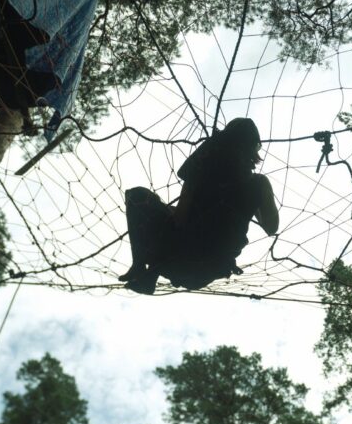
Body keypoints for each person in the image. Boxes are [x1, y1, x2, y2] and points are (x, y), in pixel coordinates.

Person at [119, 118, 279, 294]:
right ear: (252, 149)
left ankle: (140, 266)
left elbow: (179, 219)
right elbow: (272, 227)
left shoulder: (204, 162)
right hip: (206, 270)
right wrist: (249, 202)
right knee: (188, 239)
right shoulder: (258, 183)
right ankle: (150, 271)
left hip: (178, 257)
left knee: (137, 196)